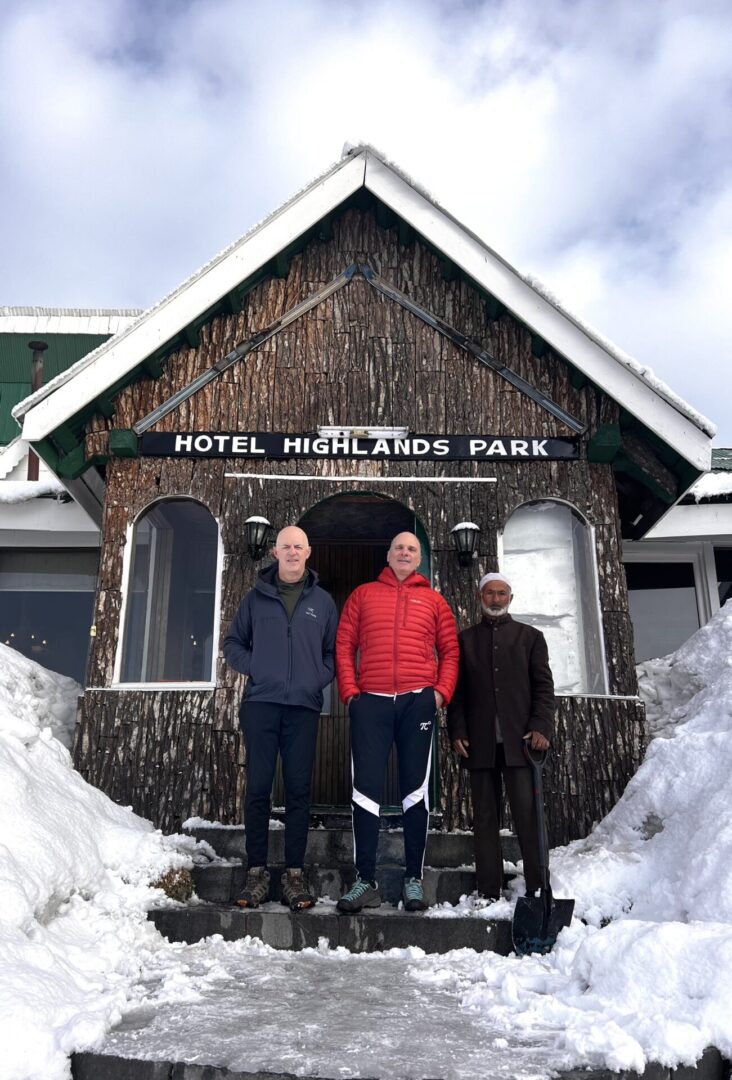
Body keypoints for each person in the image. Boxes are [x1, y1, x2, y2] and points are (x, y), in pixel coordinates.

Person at [335, 531, 459, 913]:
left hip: (416, 703)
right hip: (369, 701)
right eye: (398, 548)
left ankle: (413, 880)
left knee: (414, 792)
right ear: (387, 556)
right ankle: (364, 880)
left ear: (418, 558)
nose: (405, 553)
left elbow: (450, 649)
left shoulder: (435, 601)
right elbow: (344, 644)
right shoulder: (363, 595)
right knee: (365, 791)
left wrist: (439, 694)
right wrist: (351, 694)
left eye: (412, 549)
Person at [224, 525, 337, 911]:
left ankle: (293, 874)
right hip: (261, 704)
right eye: (286, 546)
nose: (292, 552)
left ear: (308, 553)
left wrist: (314, 679)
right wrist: (258, 666)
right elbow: (232, 644)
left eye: (298, 546)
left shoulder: (322, 603)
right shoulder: (255, 600)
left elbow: (332, 653)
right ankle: (255, 872)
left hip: (303, 708)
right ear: (275, 553)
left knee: (298, 790)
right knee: (257, 788)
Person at [447, 572, 555, 901]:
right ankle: (488, 889)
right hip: (479, 743)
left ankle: (538, 887)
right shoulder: (464, 640)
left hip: (520, 742)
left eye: (502, 593)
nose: (496, 598)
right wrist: (458, 730)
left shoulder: (530, 637)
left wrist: (541, 725)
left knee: (528, 815)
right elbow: (457, 692)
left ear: (511, 598)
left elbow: (543, 686)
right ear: (480, 598)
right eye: (490, 593)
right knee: (484, 818)